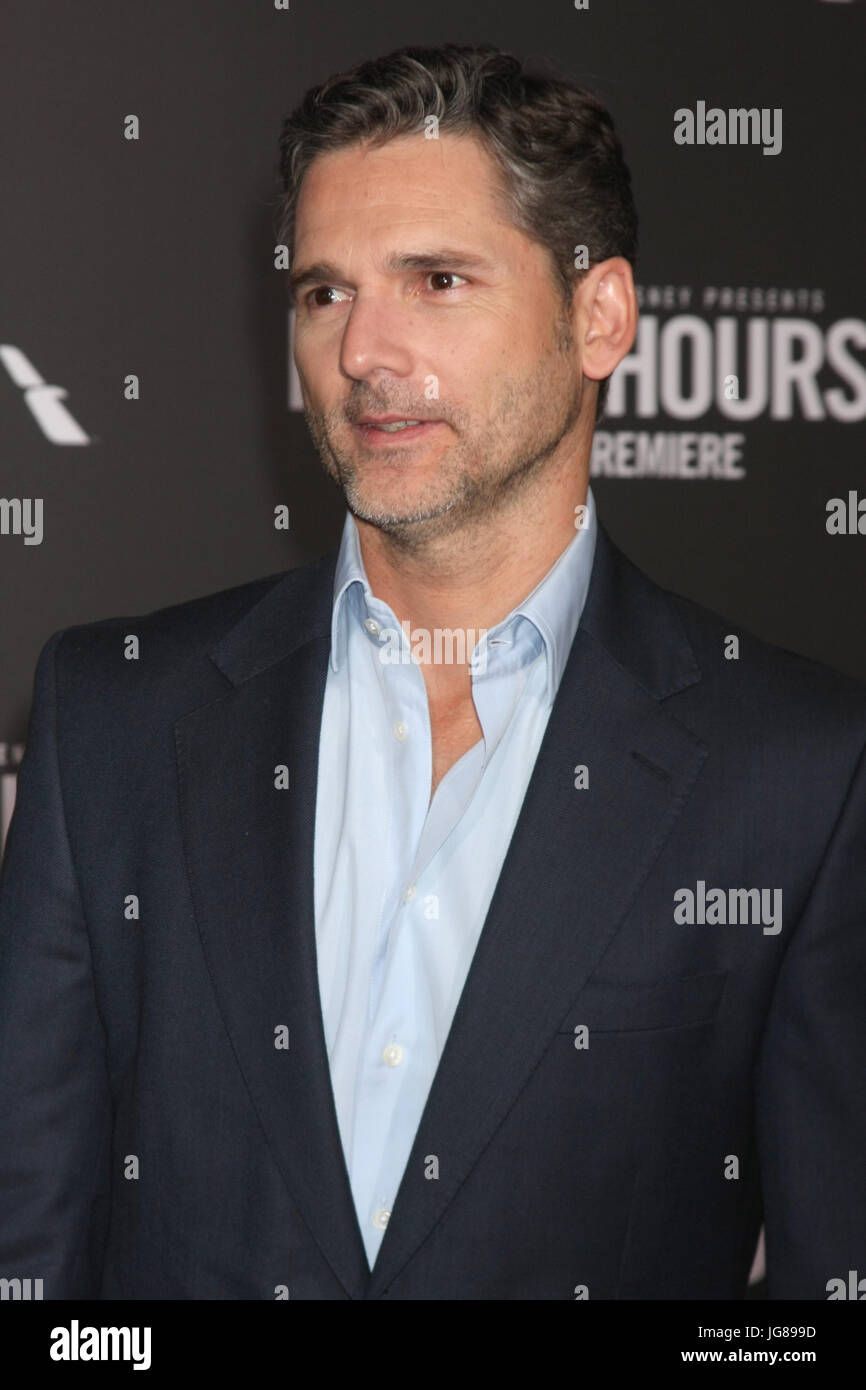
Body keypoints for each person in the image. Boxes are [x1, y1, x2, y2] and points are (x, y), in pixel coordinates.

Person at [1, 42, 864, 1301]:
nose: (362, 351)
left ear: (599, 316)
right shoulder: (116, 716)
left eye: (437, 280)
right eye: (322, 293)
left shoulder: (797, 770)